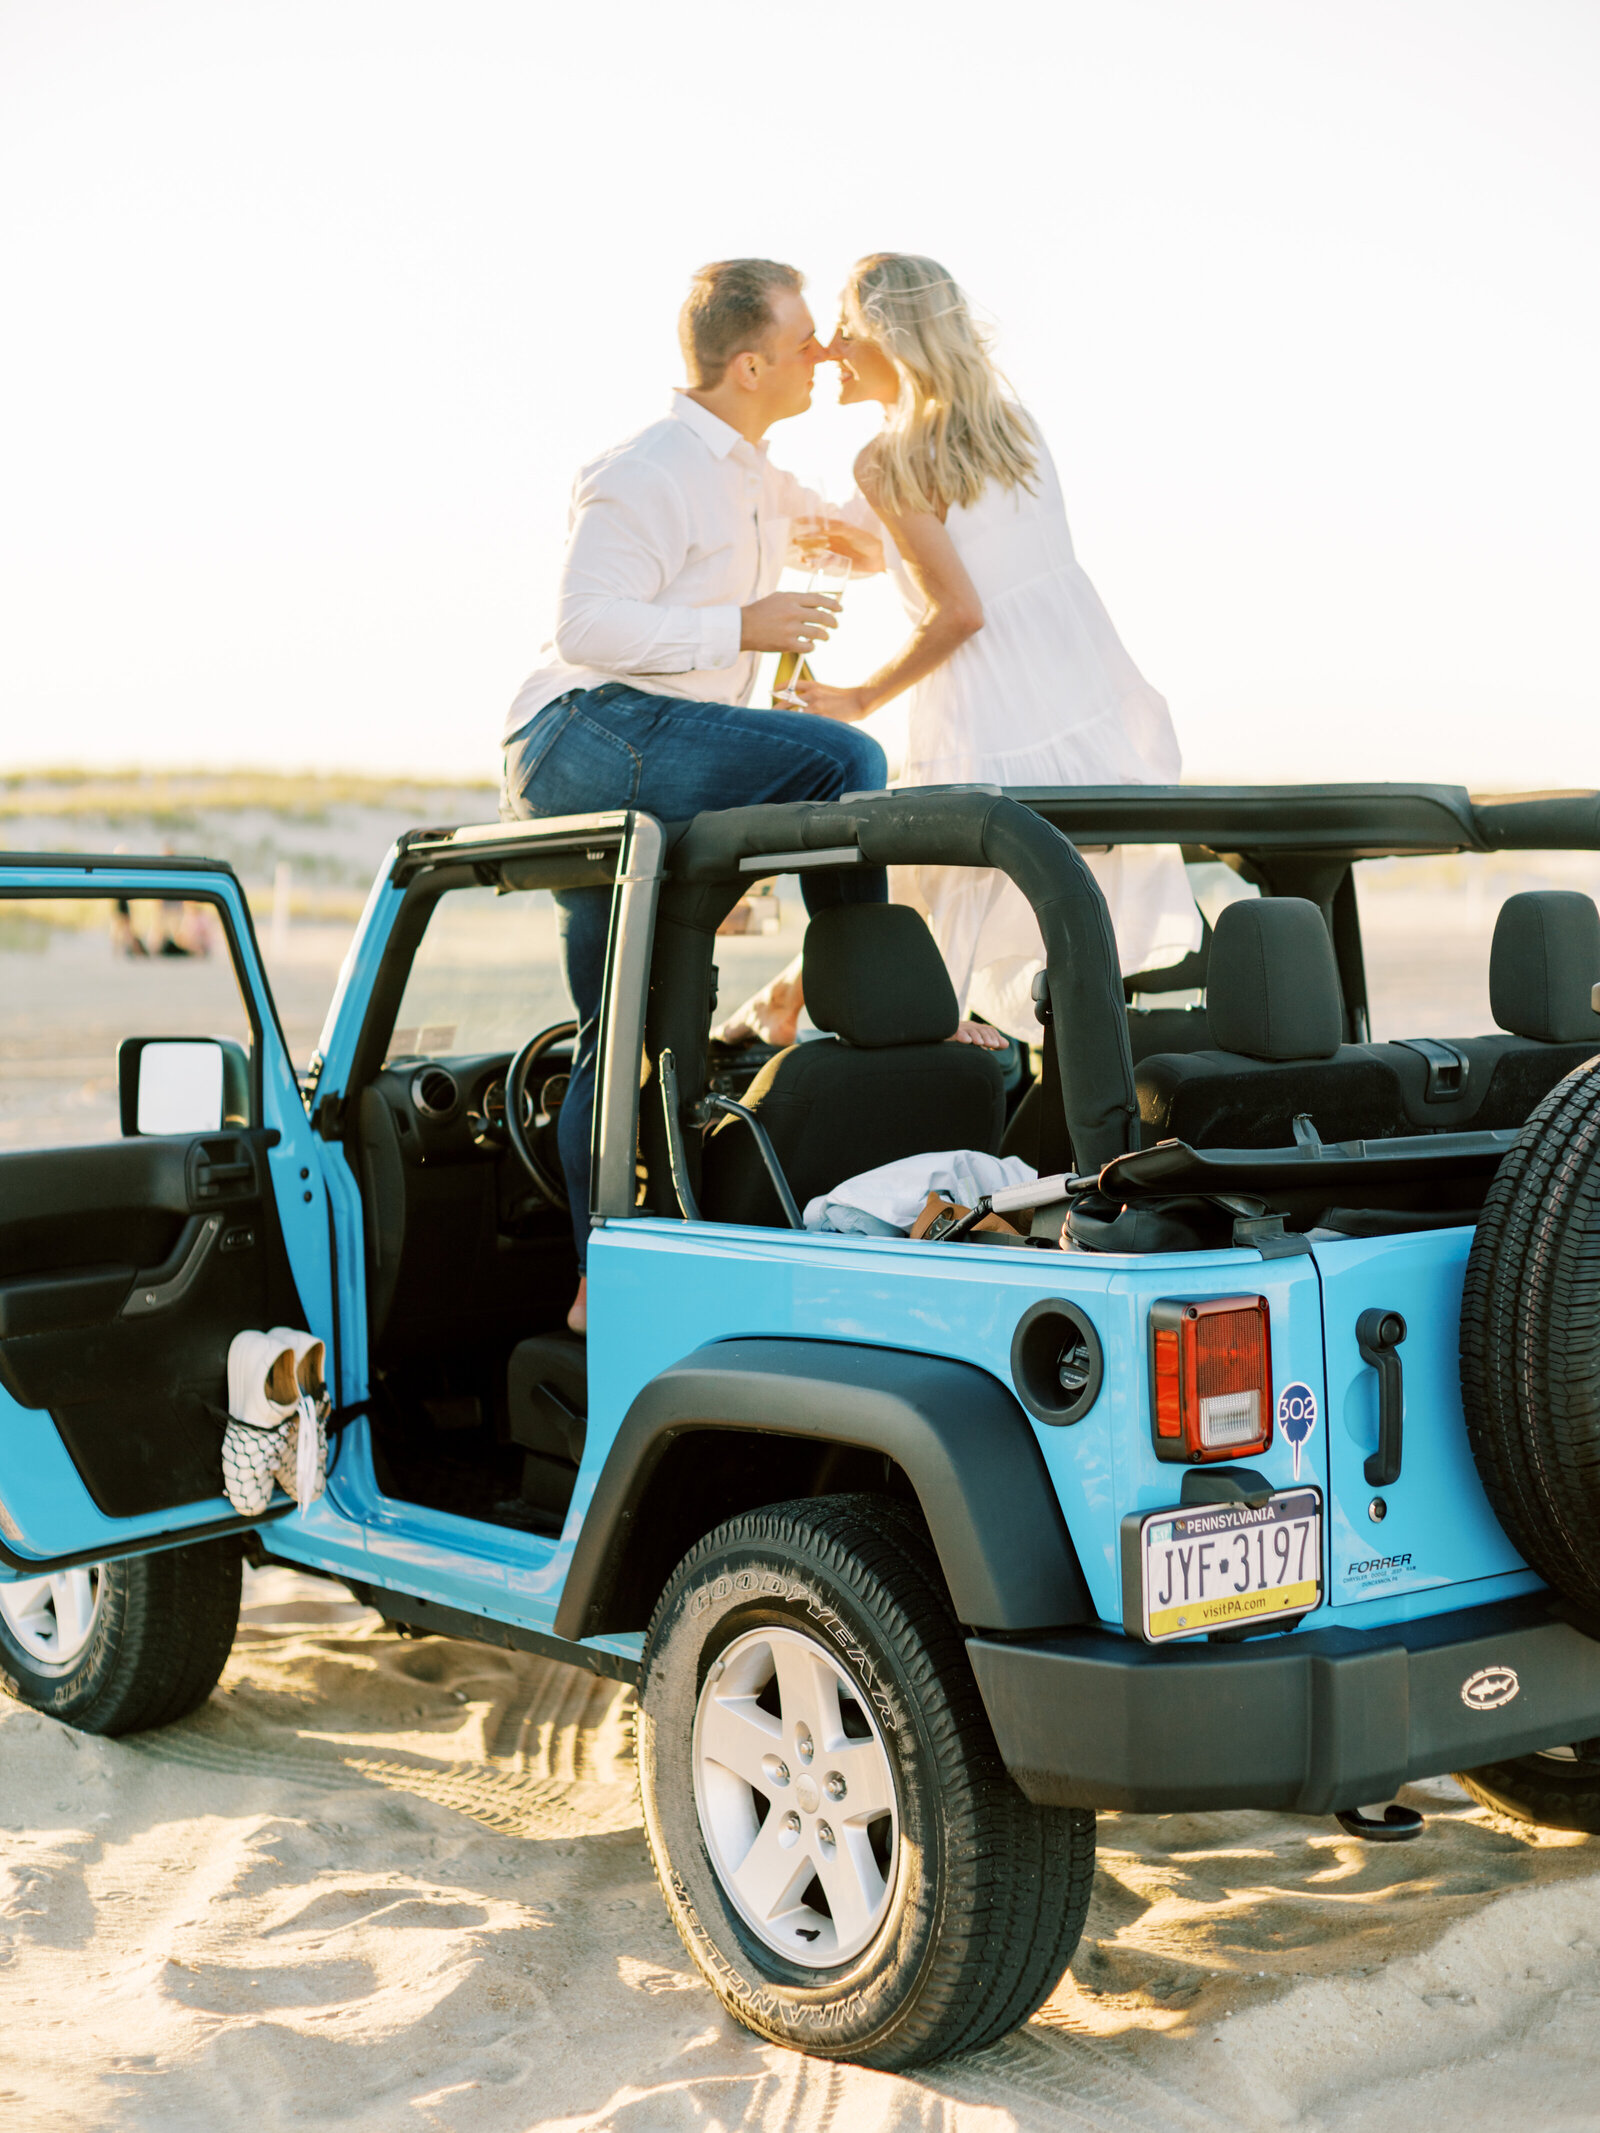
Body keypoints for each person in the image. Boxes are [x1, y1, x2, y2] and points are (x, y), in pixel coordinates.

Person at [501, 259, 890, 1335]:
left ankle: (596, 1287)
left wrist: (896, 384)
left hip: (652, 752)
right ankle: (882, 1008)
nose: (821, 353)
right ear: (749, 360)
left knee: (625, 1030)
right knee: (843, 762)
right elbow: (589, 626)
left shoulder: (762, 480)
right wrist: (742, 630)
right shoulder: (649, 467)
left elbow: (865, 534)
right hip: (582, 736)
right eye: (809, 338)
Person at [716, 252, 1200, 1052]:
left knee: (931, 879)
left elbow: (960, 609)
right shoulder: (1012, 428)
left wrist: (859, 699)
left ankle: (903, 1028)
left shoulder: (886, 459)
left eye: (844, 330)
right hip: (1072, 685)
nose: (830, 349)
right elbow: (968, 554)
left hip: (985, 697)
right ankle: (804, 1001)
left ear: (890, 340)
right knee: (1024, 895)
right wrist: (852, 541)